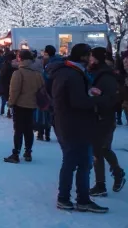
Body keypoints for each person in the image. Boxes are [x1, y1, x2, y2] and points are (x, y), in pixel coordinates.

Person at [49, 43, 108, 213]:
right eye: (89, 55)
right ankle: (69, 198)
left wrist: (88, 93)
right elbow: (78, 102)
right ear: (83, 56)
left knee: (79, 162)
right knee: (77, 162)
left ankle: (77, 198)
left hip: (67, 123)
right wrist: (98, 99)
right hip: (74, 125)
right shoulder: (73, 74)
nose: (91, 58)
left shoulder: (65, 72)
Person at [88, 47, 126, 197]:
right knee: (100, 149)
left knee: (99, 150)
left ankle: (105, 181)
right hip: (102, 117)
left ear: (96, 59)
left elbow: (108, 99)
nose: (90, 60)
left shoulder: (105, 76)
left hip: (104, 118)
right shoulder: (102, 73)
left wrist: (94, 99)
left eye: (91, 57)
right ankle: (110, 178)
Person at [4, 50, 44, 163]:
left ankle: (16, 153)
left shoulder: (18, 73)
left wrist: (11, 102)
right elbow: (42, 89)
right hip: (32, 105)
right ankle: (28, 152)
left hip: (20, 105)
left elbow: (14, 90)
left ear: (20, 58)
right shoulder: (37, 73)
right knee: (28, 130)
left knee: (18, 130)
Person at [0, 52, 16, 117]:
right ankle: (8, 112)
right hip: (8, 84)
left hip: (5, 85)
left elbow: (1, 77)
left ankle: (3, 111)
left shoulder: (4, 65)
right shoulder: (10, 67)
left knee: (5, 99)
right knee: (8, 99)